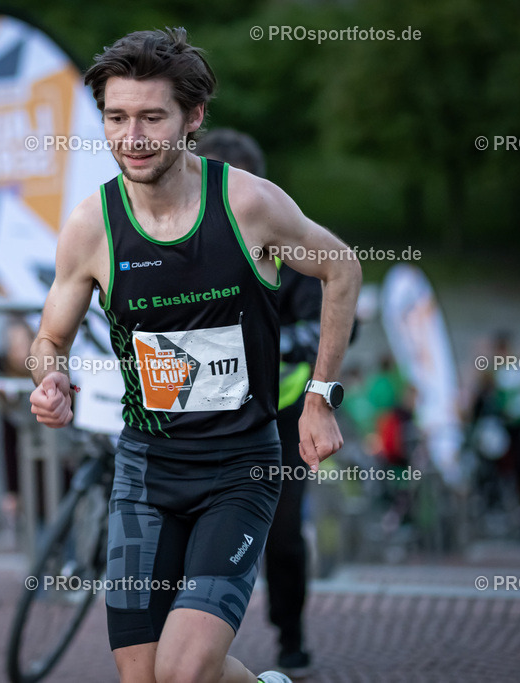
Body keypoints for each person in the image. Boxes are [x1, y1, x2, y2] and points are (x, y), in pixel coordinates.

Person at [27, 28, 361, 683]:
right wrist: (50, 381)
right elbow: (49, 341)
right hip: (147, 473)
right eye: (116, 118)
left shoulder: (248, 204)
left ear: (193, 119)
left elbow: (342, 268)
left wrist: (319, 398)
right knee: (142, 676)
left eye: (153, 117)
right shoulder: (91, 225)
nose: (133, 136)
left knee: (183, 672)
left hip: (240, 468)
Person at [195, 129, 320, 677]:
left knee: (284, 538)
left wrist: (259, 343)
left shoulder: (286, 240)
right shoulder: (179, 240)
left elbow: (330, 324)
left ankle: (291, 637)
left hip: (280, 418)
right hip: (199, 413)